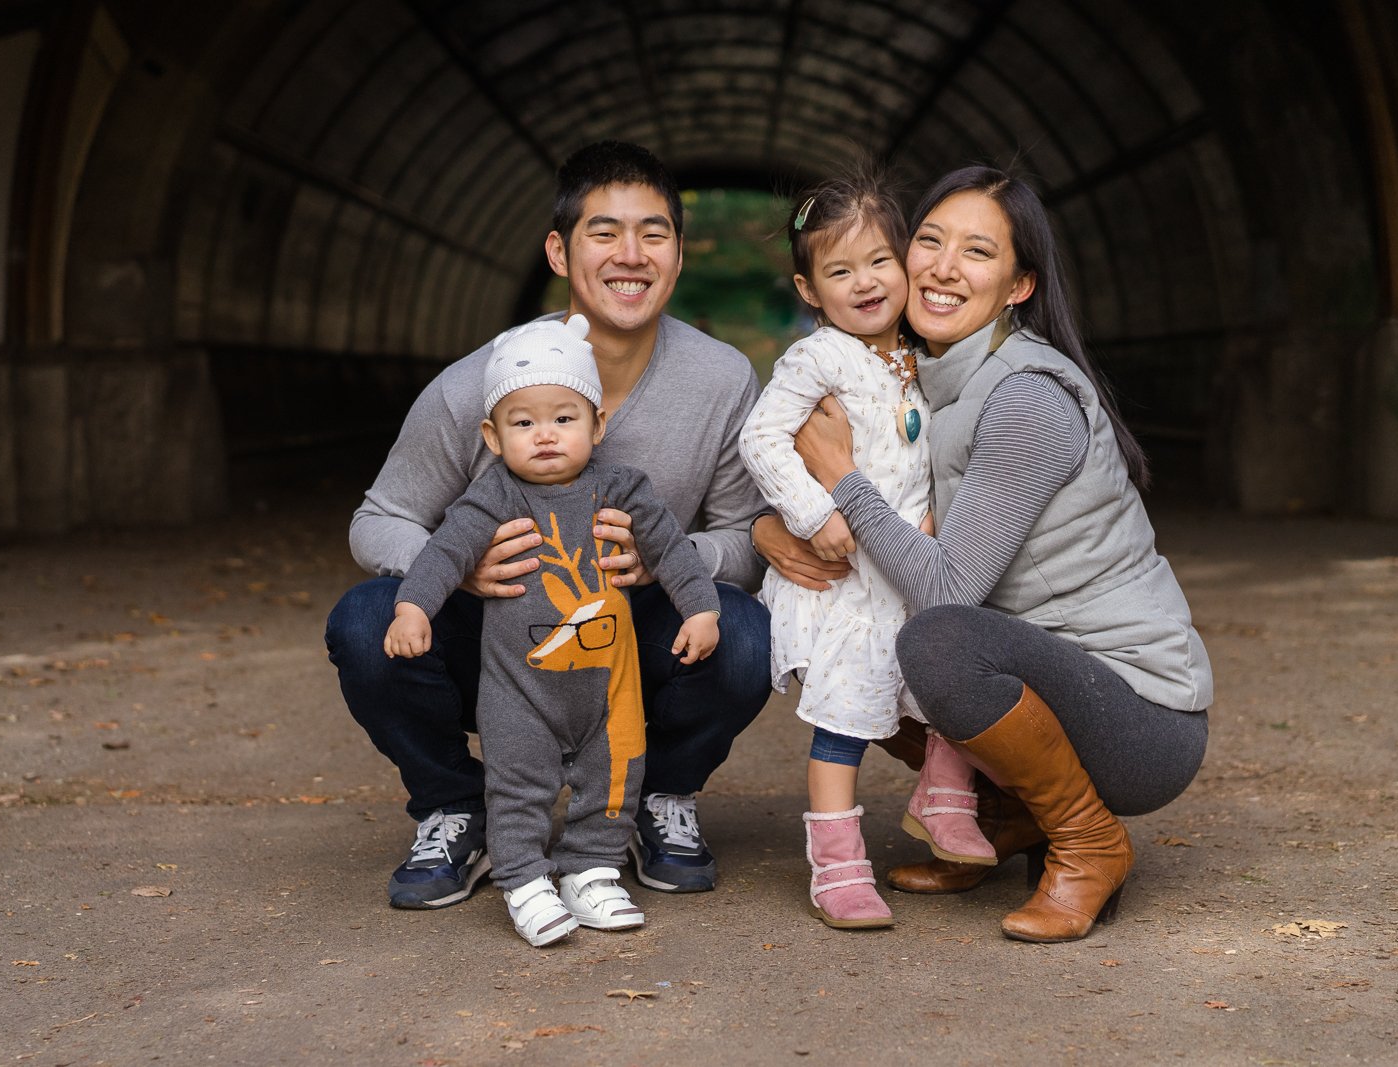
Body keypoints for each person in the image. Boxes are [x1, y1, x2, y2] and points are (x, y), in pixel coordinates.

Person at [325, 141, 772, 911]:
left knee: (745, 635)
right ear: (560, 251)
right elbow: (378, 519)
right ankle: (457, 809)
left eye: (653, 232)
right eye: (604, 231)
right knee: (367, 625)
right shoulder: (476, 385)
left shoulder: (722, 379)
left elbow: (746, 534)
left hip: (629, 631)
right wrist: (455, 565)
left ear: (677, 252)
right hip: (505, 633)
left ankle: (656, 796)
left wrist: (669, 559)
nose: (630, 254)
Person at [790, 165, 1213, 943]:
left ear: (1019, 286)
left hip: (1140, 716)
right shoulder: (922, 377)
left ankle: (1088, 840)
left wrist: (843, 479)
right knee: (845, 632)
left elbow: (949, 590)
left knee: (935, 638)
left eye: (977, 252)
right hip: (1057, 680)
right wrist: (768, 533)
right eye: (929, 240)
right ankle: (1009, 813)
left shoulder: (1025, 396)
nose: (944, 267)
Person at [382, 315, 721, 946]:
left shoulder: (622, 488)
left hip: (608, 683)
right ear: (492, 434)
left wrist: (700, 607)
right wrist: (412, 608)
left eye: (564, 419)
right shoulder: (493, 498)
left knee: (615, 774)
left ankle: (592, 870)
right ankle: (523, 879)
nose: (544, 435)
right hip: (520, 686)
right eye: (523, 422)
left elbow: (672, 549)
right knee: (518, 781)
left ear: (598, 424)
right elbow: (442, 554)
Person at [737, 172, 995, 931]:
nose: (865, 283)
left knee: (954, 672)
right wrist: (813, 512)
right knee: (845, 720)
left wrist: (941, 519)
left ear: (906, 262)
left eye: (879, 261)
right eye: (839, 271)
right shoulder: (817, 360)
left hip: (911, 567)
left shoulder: (924, 352)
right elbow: (761, 436)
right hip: (844, 583)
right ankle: (839, 866)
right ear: (808, 288)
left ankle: (944, 799)